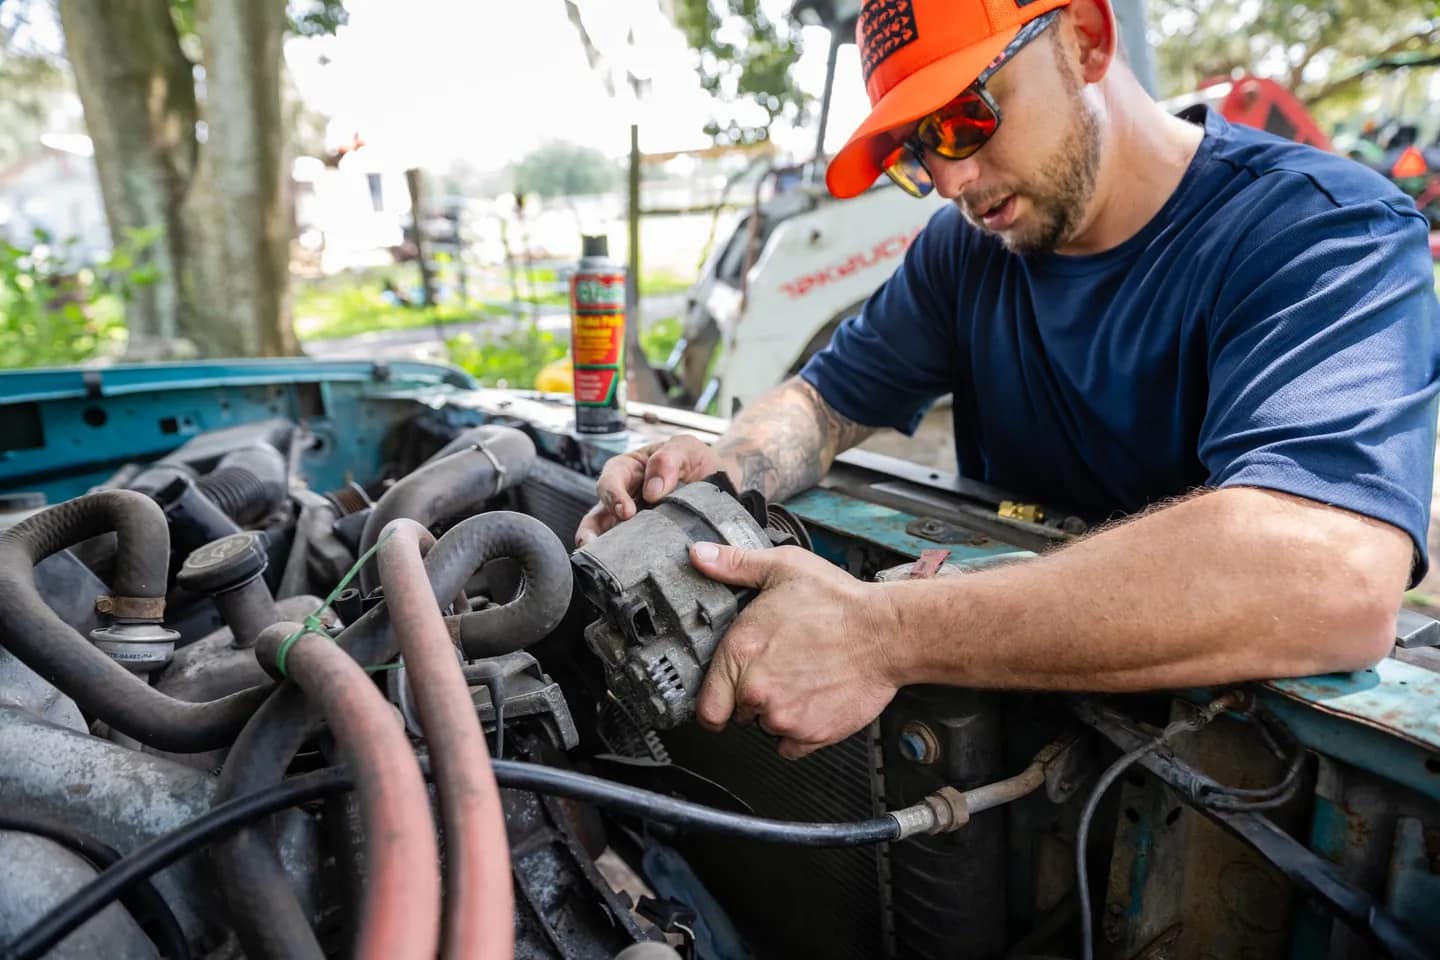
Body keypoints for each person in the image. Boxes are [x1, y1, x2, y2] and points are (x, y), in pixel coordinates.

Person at [576, 0, 1440, 759]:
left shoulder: (1319, 233)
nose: (948, 180)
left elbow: (1331, 575)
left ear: (1086, 39)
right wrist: (720, 473)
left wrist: (883, 634)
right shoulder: (967, 254)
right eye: (918, 151)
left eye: (965, 118)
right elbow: (823, 402)